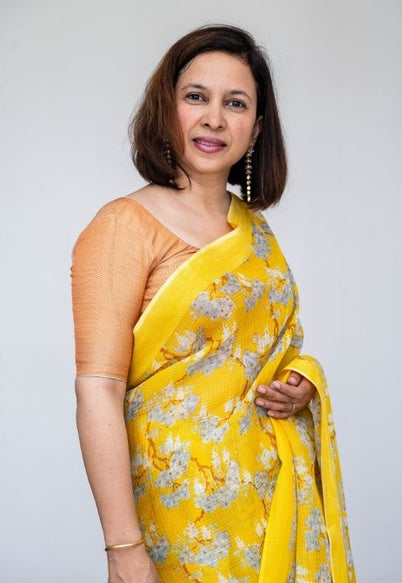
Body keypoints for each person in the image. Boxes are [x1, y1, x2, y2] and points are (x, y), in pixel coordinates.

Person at [71, 25, 355, 583]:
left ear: (257, 127)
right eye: (196, 96)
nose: (214, 119)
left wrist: (298, 382)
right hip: (181, 516)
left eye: (236, 103)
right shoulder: (123, 226)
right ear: (166, 107)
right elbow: (98, 389)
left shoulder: (256, 231)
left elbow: (265, 351)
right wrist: (123, 547)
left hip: (272, 500)